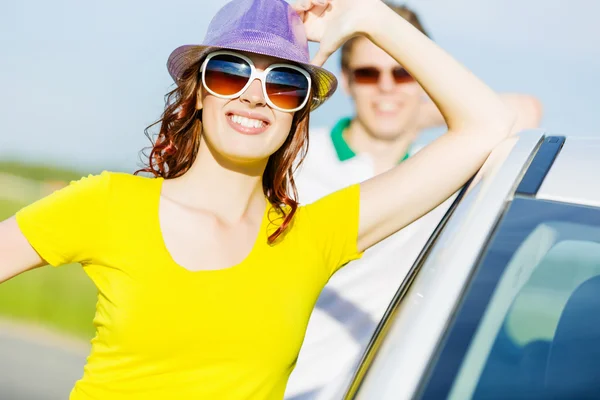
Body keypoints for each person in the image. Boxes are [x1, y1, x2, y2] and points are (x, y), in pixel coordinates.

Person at [0, 0, 516, 398]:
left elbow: (487, 125)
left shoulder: (312, 235)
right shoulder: (107, 203)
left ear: (298, 113)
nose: (254, 95)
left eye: (285, 83)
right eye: (231, 72)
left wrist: (371, 16)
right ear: (198, 92)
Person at [285, 4, 542, 399]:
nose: (386, 86)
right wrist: (397, 106)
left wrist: (407, 116)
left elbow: (526, 111)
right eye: (369, 75)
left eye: (402, 73)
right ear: (348, 82)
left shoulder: (445, 173)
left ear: (423, 80)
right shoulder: (297, 160)